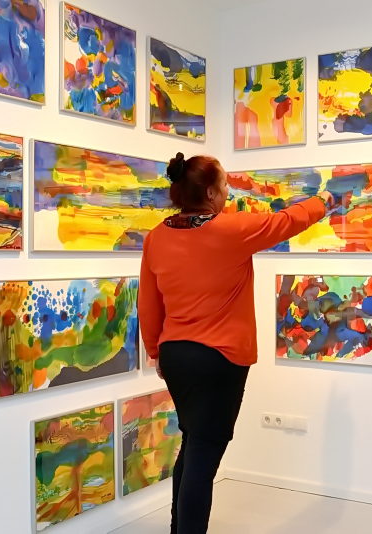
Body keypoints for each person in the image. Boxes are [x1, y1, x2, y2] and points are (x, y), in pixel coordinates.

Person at [138, 152, 334, 534]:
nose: (229, 191)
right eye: (225, 184)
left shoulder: (157, 237)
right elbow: (286, 221)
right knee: (204, 454)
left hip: (176, 355)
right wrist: (323, 201)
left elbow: (149, 303)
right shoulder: (230, 230)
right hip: (218, 358)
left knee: (193, 442)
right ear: (211, 193)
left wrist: (155, 351)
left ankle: (179, 527)